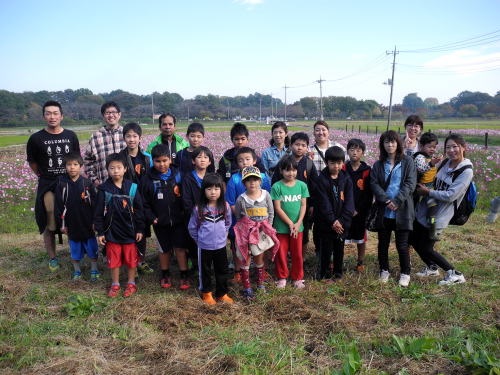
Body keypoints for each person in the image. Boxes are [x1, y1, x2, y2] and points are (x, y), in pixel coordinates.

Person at [26, 100, 81, 271]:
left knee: (73, 217)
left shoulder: (71, 136)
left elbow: (77, 160)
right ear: (44, 116)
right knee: (48, 217)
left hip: (69, 182)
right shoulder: (35, 138)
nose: (52, 116)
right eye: (48, 113)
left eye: (55, 113)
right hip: (48, 184)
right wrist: (44, 176)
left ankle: (76, 254)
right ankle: (52, 257)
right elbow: (33, 163)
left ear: (61, 116)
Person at [412, 134, 471, 285]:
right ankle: (432, 268)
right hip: (425, 209)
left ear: (463, 148)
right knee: (413, 239)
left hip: (440, 215)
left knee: (426, 248)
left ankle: (454, 274)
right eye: (448, 147)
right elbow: (432, 177)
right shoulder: (446, 162)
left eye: (455, 147)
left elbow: (451, 195)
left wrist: (428, 192)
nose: (451, 150)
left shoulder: (466, 171)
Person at [94, 153, 145, 298]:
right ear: (107, 170)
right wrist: (100, 232)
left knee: (131, 259)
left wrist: (140, 228)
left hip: (130, 231)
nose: (115, 171)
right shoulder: (104, 189)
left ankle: (131, 283)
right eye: (112, 168)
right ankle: (115, 284)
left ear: (125, 169)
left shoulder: (133, 188)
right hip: (111, 232)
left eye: (118, 167)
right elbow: (98, 213)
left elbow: (139, 210)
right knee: (114, 259)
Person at [141, 144, 190, 290]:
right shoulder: (147, 179)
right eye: (158, 161)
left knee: (180, 248)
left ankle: (184, 274)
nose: (161, 164)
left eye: (164, 160)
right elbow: (144, 202)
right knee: (164, 249)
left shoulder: (179, 175)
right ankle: (165, 274)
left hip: (178, 220)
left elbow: (186, 196)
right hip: (159, 222)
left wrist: (184, 213)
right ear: (152, 161)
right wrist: (151, 217)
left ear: (170, 159)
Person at [370, 130, 416, 287]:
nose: (390, 145)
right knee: (383, 243)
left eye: (393, 142)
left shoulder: (407, 161)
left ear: (398, 143)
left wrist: (397, 201)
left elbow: (410, 183)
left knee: (402, 244)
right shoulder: (378, 164)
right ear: (382, 145)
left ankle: (405, 272)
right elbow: (374, 183)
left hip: (402, 209)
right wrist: (386, 200)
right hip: (384, 210)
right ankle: (384, 270)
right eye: (386, 142)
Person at [225, 147, 272, 283]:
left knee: (261, 245)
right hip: (241, 223)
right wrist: (245, 220)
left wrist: (265, 221)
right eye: (240, 160)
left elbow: (267, 199)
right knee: (239, 246)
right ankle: (239, 271)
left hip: (260, 222)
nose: (244, 163)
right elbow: (231, 203)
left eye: (247, 159)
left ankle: (262, 271)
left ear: (255, 160)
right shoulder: (234, 179)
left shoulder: (263, 177)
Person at [233, 166, 279, 299]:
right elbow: (238, 217)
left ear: (260, 181)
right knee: (245, 258)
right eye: (248, 180)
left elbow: (271, 212)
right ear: (244, 183)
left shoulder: (266, 195)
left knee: (259, 256)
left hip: (261, 232)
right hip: (246, 233)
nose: (252, 183)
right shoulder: (241, 199)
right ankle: (247, 287)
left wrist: (268, 228)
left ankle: (260, 283)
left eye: (255, 179)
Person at [188, 173, 234, 305]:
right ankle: (206, 293)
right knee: (205, 271)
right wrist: (200, 240)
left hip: (220, 246)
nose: (213, 192)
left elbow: (227, 222)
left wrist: (224, 236)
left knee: (222, 270)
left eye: (216, 189)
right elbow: (192, 227)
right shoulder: (199, 209)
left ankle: (222, 293)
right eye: (209, 189)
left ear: (221, 190)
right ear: (204, 191)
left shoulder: (224, 206)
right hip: (204, 247)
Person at [54, 153, 99, 281]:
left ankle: (94, 269)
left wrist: (95, 221)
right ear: (65, 167)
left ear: (81, 167)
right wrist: (63, 225)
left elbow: (95, 204)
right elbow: (59, 207)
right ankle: (77, 271)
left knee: (92, 248)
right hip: (71, 223)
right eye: (69, 165)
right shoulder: (62, 185)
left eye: (75, 165)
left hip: (87, 222)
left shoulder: (87, 183)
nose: (72, 167)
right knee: (74, 249)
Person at [313, 146, 354, 281]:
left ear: (343, 163)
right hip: (326, 224)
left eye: (339, 163)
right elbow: (323, 204)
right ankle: (324, 274)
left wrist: (341, 220)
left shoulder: (346, 179)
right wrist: (332, 221)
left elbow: (349, 203)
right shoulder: (321, 180)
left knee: (339, 249)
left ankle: (338, 273)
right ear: (327, 162)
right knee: (326, 249)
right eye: (332, 163)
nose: (336, 166)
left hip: (342, 224)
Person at [118, 122, 153, 274]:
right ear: (124, 138)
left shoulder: (147, 158)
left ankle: (141, 260)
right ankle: (130, 262)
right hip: (126, 199)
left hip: (143, 200)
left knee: (142, 231)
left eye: (134, 136)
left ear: (140, 138)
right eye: (128, 136)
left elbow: (151, 177)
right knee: (128, 230)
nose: (131, 139)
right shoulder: (120, 158)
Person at [272, 132, 319, 246]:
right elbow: (275, 182)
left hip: (302, 205)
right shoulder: (283, 162)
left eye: (303, 145)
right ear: (291, 145)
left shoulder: (309, 164)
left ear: (307, 147)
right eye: (297, 144)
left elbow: (314, 186)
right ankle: (287, 252)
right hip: (284, 204)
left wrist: (312, 204)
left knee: (303, 231)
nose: (300, 148)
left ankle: (301, 257)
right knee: (284, 231)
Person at [271, 155, 309, 289]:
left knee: (297, 253)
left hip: (297, 227)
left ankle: (297, 277)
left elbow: (303, 205)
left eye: (293, 170)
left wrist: (298, 223)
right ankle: (282, 277)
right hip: (281, 228)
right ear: (281, 171)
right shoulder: (277, 186)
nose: (290, 173)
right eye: (287, 170)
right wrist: (290, 223)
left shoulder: (302, 186)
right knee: (281, 253)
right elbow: (277, 208)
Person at [181, 146, 214, 276]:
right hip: (193, 217)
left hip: (211, 217)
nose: (202, 160)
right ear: (193, 161)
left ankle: (209, 265)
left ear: (210, 162)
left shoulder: (212, 178)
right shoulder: (188, 178)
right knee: (194, 242)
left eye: (206, 157)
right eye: (199, 157)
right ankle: (195, 264)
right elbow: (186, 201)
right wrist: (197, 215)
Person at [343, 139, 372, 272]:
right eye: (352, 150)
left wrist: (358, 209)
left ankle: (360, 262)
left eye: (358, 150)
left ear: (363, 153)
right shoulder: (343, 168)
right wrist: (348, 208)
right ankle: (338, 259)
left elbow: (368, 194)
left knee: (361, 237)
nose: (355, 153)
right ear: (347, 151)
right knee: (342, 236)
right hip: (344, 210)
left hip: (361, 210)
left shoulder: (367, 171)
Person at [84, 101, 126, 186]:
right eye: (107, 113)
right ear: (103, 116)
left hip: (126, 185)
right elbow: (88, 161)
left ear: (119, 114)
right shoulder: (96, 136)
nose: (111, 115)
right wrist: (94, 179)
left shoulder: (127, 133)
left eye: (114, 112)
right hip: (104, 185)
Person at [412, 132, 442, 240]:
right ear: (421, 146)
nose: (432, 149)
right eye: (429, 147)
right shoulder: (419, 157)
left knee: (433, 211)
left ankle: (432, 227)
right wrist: (432, 163)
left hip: (429, 189)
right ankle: (426, 229)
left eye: (434, 147)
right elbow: (421, 169)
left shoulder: (431, 157)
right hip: (420, 190)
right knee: (418, 211)